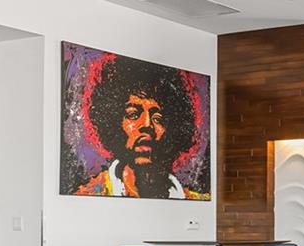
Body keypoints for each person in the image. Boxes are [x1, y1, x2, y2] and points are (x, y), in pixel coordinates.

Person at [75, 59, 207, 199]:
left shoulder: (194, 200)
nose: (146, 125)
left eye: (158, 118)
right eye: (133, 114)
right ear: (113, 122)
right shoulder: (90, 194)